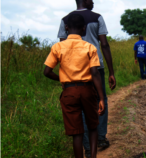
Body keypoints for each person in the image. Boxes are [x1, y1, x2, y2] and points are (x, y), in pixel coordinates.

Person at [57, 0, 116, 157]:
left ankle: (86, 145)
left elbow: (63, 47)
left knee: (80, 105)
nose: (93, 2)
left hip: (74, 71)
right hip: (96, 67)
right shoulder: (97, 17)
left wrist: (65, 74)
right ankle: (101, 138)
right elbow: (104, 45)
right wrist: (111, 72)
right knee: (99, 100)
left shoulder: (65, 20)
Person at [43, 14, 105, 158]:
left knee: (77, 133)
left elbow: (47, 71)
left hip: (69, 92)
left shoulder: (57, 47)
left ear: (66, 28)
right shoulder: (90, 47)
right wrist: (101, 98)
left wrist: (63, 80)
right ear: (84, 29)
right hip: (87, 91)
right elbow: (95, 73)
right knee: (93, 126)